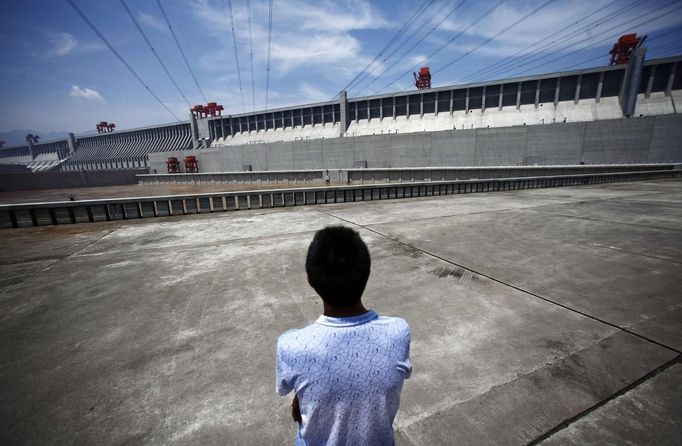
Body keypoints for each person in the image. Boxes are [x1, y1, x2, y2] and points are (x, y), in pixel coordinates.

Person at [276, 226, 412, 445]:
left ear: (310, 280)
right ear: (366, 272)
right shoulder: (398, 332)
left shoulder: (291, 345)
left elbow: (285, 387)